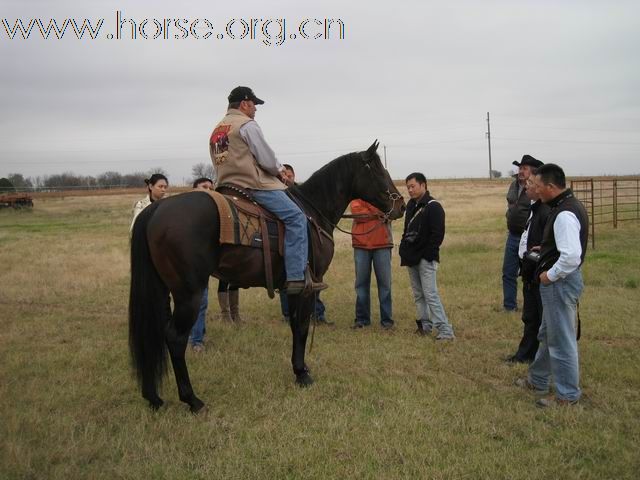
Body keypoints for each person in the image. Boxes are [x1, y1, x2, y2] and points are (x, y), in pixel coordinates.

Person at [209, 86, 326, 294]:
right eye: (254, 104)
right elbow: (265, 158)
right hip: (252, 186)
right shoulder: (247, 125)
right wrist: (280, 170)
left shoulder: (218, 129)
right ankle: (296, 277)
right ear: (244, 103)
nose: (255, 109)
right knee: (297, 218)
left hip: (225, 187)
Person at [515, 163, 588, 407]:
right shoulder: (563, 207)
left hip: (560, 284)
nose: (533, 190)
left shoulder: (564, 214)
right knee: (548, 334)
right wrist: (544, 250)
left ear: (550, 186)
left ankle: (567, 395)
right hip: (560, 282)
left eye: (536, 186)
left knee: (561, 340)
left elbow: (570, 257)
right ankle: (538, 379)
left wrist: (550, 275)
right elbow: (562, 249)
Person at [399, 173, 454, 340]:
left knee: (430, 294)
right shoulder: (410, 205)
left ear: (423, 185)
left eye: (413, 186)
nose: (410, 190)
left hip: (425, 258)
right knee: (418, 294)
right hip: (410, 256)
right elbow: (407, 231)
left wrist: (428, 255)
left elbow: (437, 235)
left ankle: (445, 331)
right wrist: (404, 249)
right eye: (408, 187)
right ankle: (425, 325)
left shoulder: (434, 206)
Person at [505, 166, 550, 363]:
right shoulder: (536, 208)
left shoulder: (547, 212)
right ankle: (525, 355)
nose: (527, 188)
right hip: (530, 271)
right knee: (531, 317)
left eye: (531, 184)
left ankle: (540, 360)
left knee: (541, 320)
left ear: (541, 188)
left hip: (541, 273)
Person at [276, 163, 329, 323]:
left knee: (312, 277)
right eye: (284, 175)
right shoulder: (279, 195)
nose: (287, 178)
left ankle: (317, 313)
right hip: (289, 245)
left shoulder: (302, 194)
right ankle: (288, 314)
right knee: (289, 278)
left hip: (306, 245)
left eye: (289, 176)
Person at [502, 155, 540, 311]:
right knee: (508, 272)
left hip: (529, 237)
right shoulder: (513, 185)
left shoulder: (536, 189)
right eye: (520, 168)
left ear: (532, 172)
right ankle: (509, 307)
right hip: (512, 235)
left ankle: (530, 307)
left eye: (524, 168)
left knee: (529, 274)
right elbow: (510, 204)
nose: (521, 171)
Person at [350, 199, 394, 330]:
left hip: (383, 243)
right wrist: (376, 210)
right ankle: (362, 320)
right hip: (361, 243)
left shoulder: (381, 193)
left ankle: (387, 321)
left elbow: (388, 209)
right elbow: (357, 213)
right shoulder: (356, 195)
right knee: (361, 284)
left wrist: (368, 208)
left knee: (385, 284)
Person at [189, 177, 214, 352]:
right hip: (190, 262)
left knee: (201, 301)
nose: (209, 190)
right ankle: (196, 341)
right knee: (197, 300)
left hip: (202, 263)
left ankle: (197, 334)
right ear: (194, 189)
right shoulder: (187, 210)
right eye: (204, 187)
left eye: (211, 188)